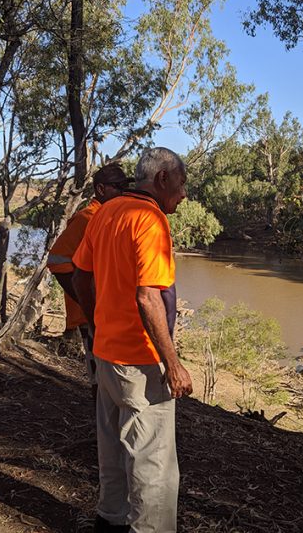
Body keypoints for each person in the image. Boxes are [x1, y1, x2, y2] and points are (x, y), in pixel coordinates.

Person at [72, 147, 193, 533]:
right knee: (153, 466)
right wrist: (171, 363)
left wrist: (96, 323)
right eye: (182, 183)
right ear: (162, 179)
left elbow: (79, 275)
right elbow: (148, 295)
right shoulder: (150, 220)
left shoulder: (106, 211)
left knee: (112, 450)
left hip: (106, 352)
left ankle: (110, 520)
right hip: (140, 359)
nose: (184, 193)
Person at [46, 163, 133, 389]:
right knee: (101, 378)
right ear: (101, 189)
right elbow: (57, 260)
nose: (123, 191)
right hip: (94, 317)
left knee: (113, 379)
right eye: (118, 186)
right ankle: (102, 423)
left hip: (110, 315)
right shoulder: (87, 218)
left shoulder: (109, 217)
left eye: (125, 186)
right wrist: (88, 303)